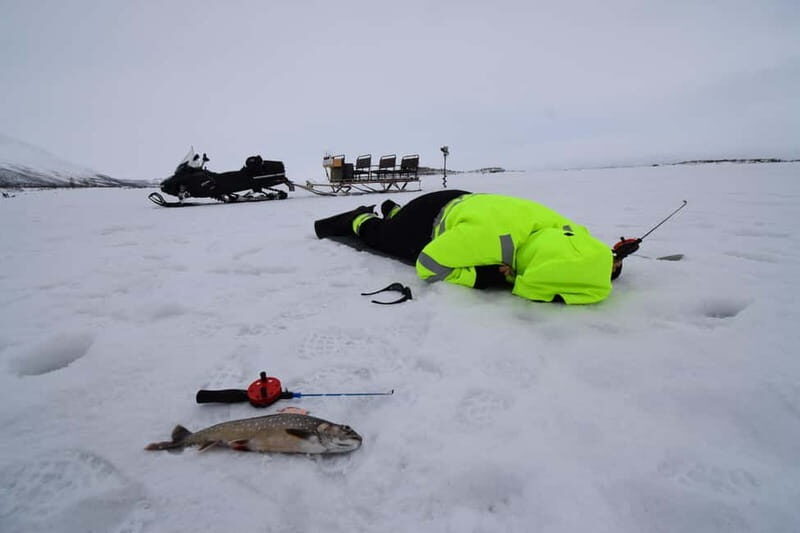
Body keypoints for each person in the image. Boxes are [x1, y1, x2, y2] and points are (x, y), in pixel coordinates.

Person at [314, 190, 623, 304]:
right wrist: (485, 277)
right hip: (429, 218)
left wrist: (609, 262)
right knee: (382, 237)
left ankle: (395, 209)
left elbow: (585, 252)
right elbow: (428, 264)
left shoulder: (564, 228)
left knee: (404, 220)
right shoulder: (494, 244)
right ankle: (362, 218)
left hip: (467, 202)